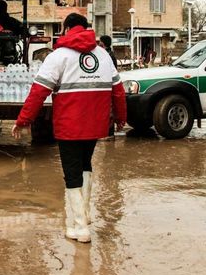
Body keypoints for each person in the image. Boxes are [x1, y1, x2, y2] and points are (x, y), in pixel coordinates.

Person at [11, 13, 126, 244]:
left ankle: (81, 227)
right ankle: (83, 215)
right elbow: (118, 90)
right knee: (85, 165)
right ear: (86, 28)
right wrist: (121, 118)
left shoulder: (58, 56)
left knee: (71, 172)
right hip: (95, 124)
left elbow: (38, 92)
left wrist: (23, 120)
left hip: (69, 125)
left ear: (66, 29)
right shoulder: (103, 55)